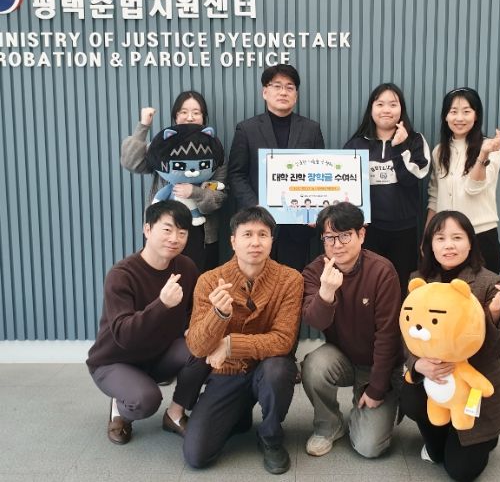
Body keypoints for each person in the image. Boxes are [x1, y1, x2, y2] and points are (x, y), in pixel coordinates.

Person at [183, 207, 303, 474]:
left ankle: (270, 437)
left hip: (267, 369)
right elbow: (197, 347)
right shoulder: (209, 280)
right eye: (247, 234)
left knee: (278, 369)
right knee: (196, 454)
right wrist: (218, 315)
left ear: (272, 240)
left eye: (263, 234)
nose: (255, 242)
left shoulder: (290, 279)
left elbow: (283, 340)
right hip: (227, 373)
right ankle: (239, 413)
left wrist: (229, 345)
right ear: (233, 241)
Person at [400, 210, 500, 481]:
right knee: (411, 398)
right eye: (440, 238)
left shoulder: (488, 282)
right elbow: (407, 331)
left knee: (461, 471)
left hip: (472, 385)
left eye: (457, 237)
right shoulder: (419, 280)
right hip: (436, 381)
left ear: (470, 243)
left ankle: (484, 437)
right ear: (429, 246)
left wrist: (494, 314)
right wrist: (418, 364)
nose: (448, 245)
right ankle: (439, 437)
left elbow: (494, 352)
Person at [86, 201, 210, 446]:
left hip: (158, 354)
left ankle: (175, 414)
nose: (174, 238)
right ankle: (121, 410)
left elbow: (193, 312)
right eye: (167, 230)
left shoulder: (186, 267)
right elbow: (123, 334)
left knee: (201, 348)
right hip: (115, 359)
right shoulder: (121, 275)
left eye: (182, 232)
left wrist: (194, 327)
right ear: (147, 229)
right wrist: (161, 305)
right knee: (145, 400)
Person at [301, 202, 403, 458]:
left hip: (379, 365)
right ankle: (328, 425)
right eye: (330, 237)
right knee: (314, 365)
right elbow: (315, 322)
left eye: (345, 235)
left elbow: (388, 336)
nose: (337, 244)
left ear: (361, 234)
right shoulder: (315, 271)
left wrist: (377, 389)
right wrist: (326, 293)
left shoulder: (382, 271)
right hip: (343, 357)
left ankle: (373, 404)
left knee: (369, 447)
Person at [228, 64, 325, 271]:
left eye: (289, 87)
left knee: (294, 280)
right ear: (265, 92)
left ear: (296, 95)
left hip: (298, 226)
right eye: (277, 86)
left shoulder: (311, 129)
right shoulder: (247, 129)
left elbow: (319, 174)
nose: (283, 92)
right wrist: (256, 205)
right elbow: (236, 174)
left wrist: (314, 210)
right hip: (259, 225)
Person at [121, 90, 227, 273]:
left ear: (203, 117)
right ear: (175, 117)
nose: (190, 117)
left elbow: (220, 196)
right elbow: (132, 162)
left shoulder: (214, 149)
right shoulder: (163, 147)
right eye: (183, 112)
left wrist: (195, 193)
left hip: (202, 232)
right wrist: (144, 125)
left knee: (200, 281)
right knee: (162, 281)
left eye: (196, 112)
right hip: (163, 228)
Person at [344, 83, 430, 298]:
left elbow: (412, 179)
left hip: (404, 230)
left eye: (393, 104)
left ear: (401, 109)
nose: (386, 110)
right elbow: (345, 188)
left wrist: (399, 147)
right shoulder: (356, 144)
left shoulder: (415, 140)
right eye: (380, 104)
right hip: (367, 230)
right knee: (368, 287)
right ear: (371, 109)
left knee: (402, 286)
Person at [426, 87, 500, 273]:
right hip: (446, 238)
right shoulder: (439, 151)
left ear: (476, 116)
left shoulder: (490, 147)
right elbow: (434, 197)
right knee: (446, 291)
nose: (459, 118)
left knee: (481, 291)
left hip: (481, 235)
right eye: (453, 111)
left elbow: (473, 187)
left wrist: (483, 154)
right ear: (445, 117)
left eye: (466, 111)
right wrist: (427, 237)